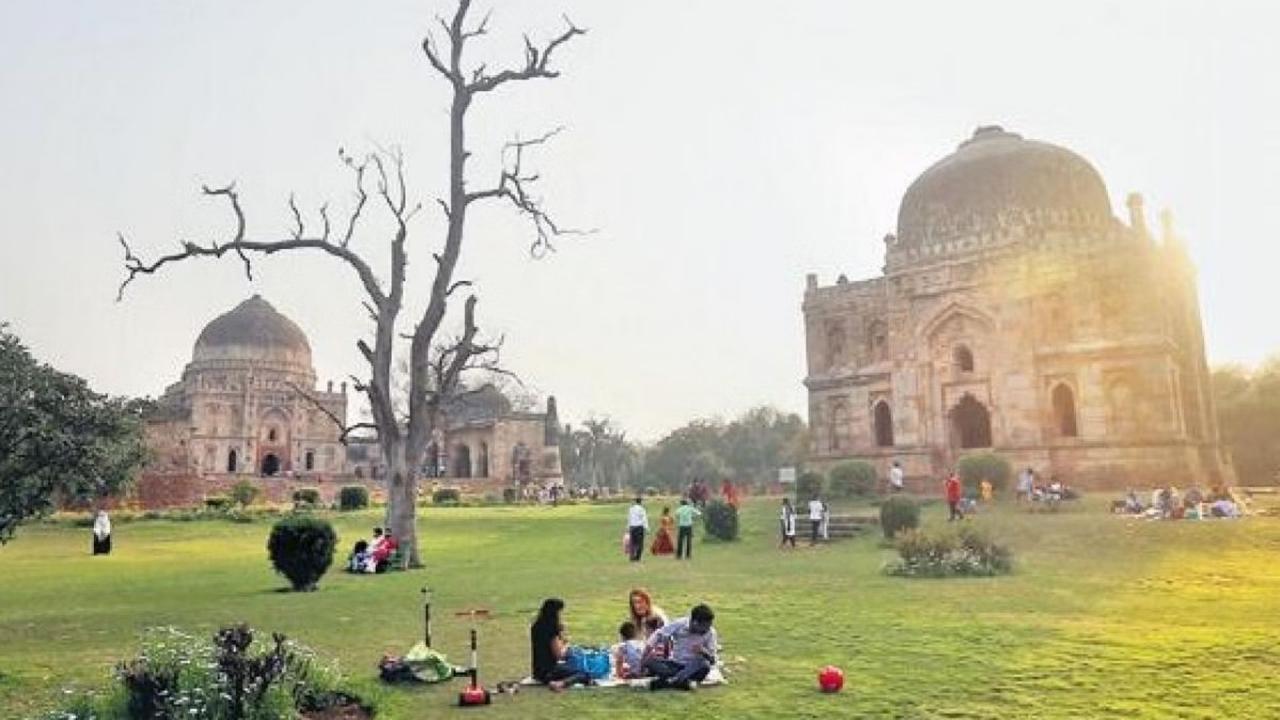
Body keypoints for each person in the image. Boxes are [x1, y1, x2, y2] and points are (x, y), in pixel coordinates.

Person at [642, 604, 719, 691]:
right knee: (651, 662)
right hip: (675, 664)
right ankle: (681, 682)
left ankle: (669, 682)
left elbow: (713, 660)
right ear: (695, 622)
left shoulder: (711, 633)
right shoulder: (680, 624)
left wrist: (704, 652)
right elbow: (659, 634)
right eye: (705, 627)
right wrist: (646, 653)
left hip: (694, 667)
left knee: (704, 665)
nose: (707, 629)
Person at [530, 598, 591, 691]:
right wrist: (566, 645)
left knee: (571, 667)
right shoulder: (551, 630)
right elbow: (559, 655)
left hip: (537, 671)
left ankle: (559, 681)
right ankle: (560, 684)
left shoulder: (536, 626)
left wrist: (560, 634)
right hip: (549, 671)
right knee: (584, 674)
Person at [627, 497, 649, 562]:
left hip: (632, 527)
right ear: (641, 502)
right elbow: (644, 519)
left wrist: (628, 527)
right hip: (639, 527)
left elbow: (629, 518)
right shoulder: (642, 509)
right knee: (640, 543)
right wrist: (647, 528)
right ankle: (637, 557)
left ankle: (632, 557)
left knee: (632, 543)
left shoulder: (631, 509)